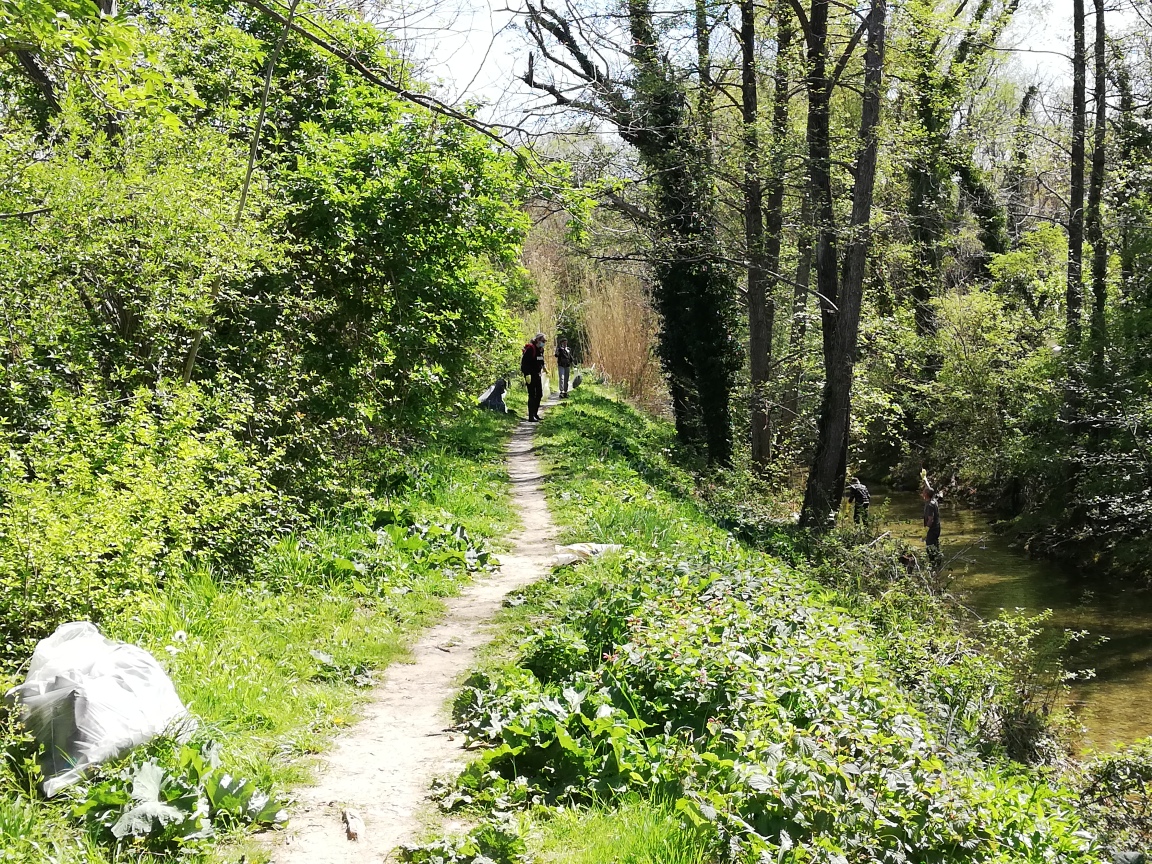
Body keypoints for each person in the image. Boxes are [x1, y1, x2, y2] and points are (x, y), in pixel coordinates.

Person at [521, 333, 546, 421]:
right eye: (543, 341)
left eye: (545, 341)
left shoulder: (541, 350)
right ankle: (531, 416)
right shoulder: (531, 349)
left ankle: (535, 414)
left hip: (538, 375)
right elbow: (524, 363)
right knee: (532, 395)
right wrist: (527, 374)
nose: (544, 343)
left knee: (539, 394)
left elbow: (541, 360)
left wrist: (544, 368)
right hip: (530, 375)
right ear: (538, 340)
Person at [922, 476, 942, 567]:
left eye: (924, 491)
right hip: (937, 528)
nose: (922, 492)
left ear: (926, 494)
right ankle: (938, 563)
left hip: (932, 529)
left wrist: (925, 532)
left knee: (930, 547)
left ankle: (933, 564)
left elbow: (930, 519)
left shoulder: (930, 505)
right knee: (935, 545)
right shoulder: (933, 499)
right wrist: (924, 478)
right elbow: (929, 488)